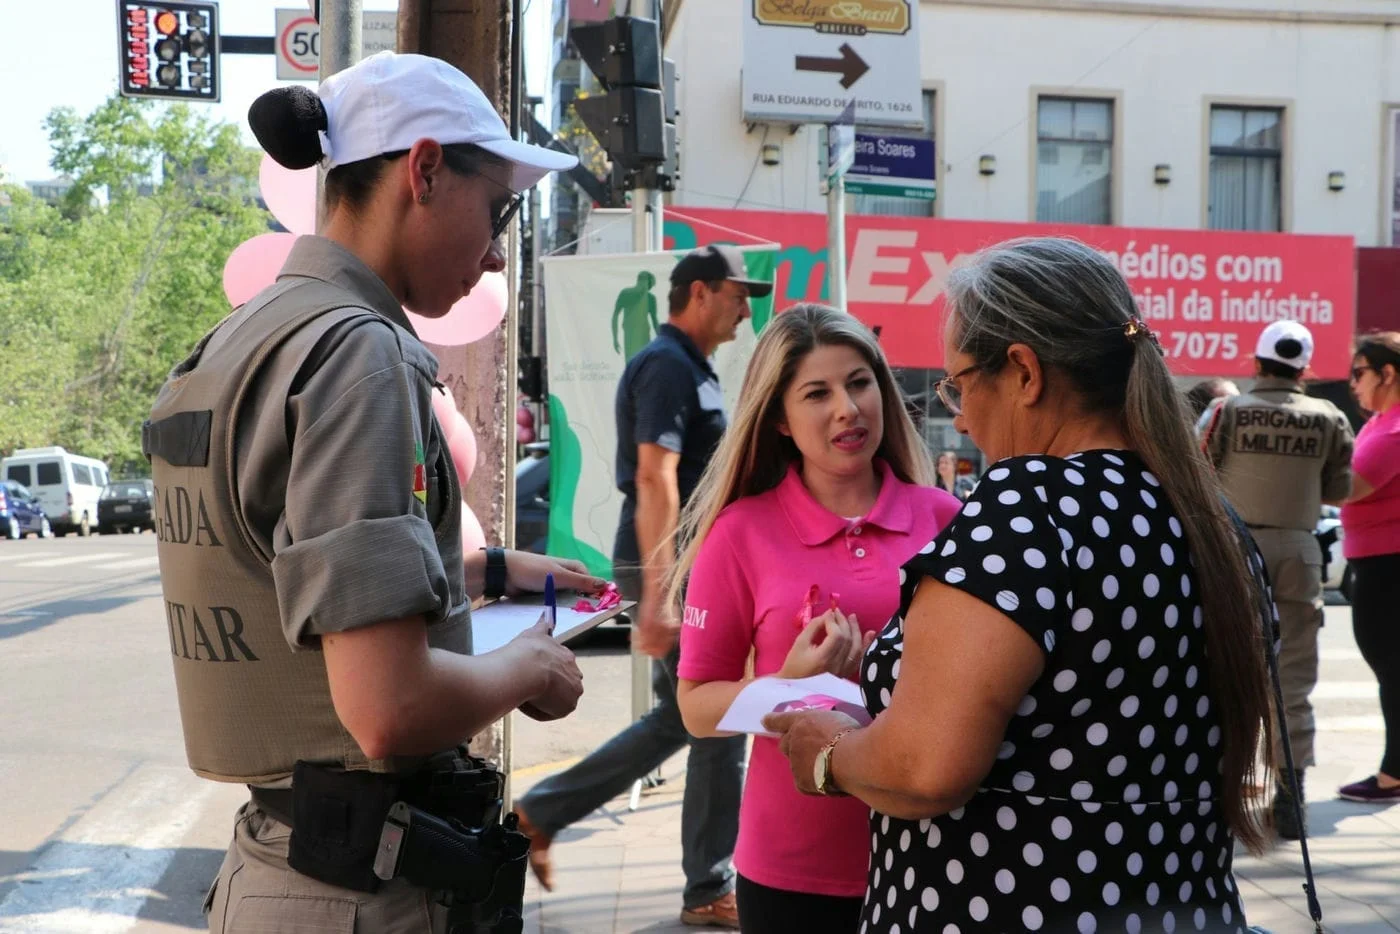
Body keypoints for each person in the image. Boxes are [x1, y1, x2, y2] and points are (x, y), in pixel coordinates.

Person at [144, 52, 596, 934]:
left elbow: (282, 569)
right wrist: (529, 667)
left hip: (277, 868)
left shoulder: (244, 337)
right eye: (496, 209)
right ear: (423, 171)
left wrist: (485, 571)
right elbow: (389, 709)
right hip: (360, 897)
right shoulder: (362, 356)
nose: (495, 251)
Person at [765, 237, 1279, 932]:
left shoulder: (1028, 506)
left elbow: (924, 769)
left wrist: (827, 753)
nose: (962, 415)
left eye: (960, 384)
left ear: (1024, 373)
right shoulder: (1212, 519)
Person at [668, 304, 961, 933]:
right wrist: (787, 685)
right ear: (778, 417)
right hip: (792, 871)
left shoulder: (945, 518)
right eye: (817, 393)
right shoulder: (739, 533)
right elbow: (695, 708)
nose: (847, 409)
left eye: (859, 383)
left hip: (939, 851)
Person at [514, 244, 770, 928]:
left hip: (683, 565)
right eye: (738, 297)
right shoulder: (666, 366)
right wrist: (661, 593)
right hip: (671, 565)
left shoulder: (691, 367)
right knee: (716, 717)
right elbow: (656, 479)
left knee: (688, 716)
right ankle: (706, 886)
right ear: (699, 293)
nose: (746, 312)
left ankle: (543, 812)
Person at [1198, 321, 1354, 838]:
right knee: (1294, 676)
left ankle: (1218, 781)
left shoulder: (1227, 411)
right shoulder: (1329, 417)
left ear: (1257, 361)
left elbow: (1198, 473)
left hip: (1236, 548)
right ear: (1304, 368)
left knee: (1223, 667)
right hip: (1300, 552)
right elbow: (1337, 489)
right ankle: (1289, 795)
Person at [1337, 332, 1400, 803]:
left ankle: (1393, 773)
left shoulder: (1395, 430)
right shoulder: (1380, 422)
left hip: (1388, 564)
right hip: (1374, 560)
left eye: (1359, 373)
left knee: (1391, 666)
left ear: (1388, 373)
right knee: (1389, 666)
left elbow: (1349, 487)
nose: (1353, 383)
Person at [613, 270, 660, 362]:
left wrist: (662, 340)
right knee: (634, 363)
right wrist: (615, 339)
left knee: (642, 364)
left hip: (643, 337)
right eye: (650, 285)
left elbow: (655, 322)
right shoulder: (626, 294)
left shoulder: (650, 298)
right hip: (631, 337)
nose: (649, 288)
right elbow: (615, 315)